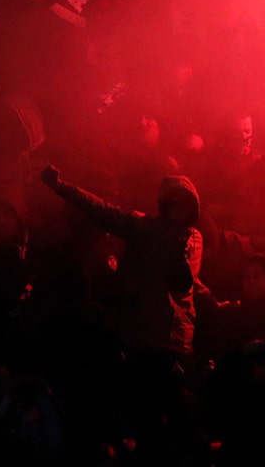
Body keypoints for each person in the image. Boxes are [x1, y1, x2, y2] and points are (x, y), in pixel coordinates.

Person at [40, 165, 206, 457]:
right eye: (173, 202)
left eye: (184, 203)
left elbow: (182, 284)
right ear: (165, 206)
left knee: (185, 427)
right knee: (150, 427)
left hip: (176, 344)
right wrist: (62, 187)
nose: (179, 210)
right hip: (144, 342)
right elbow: (103, 211)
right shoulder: (144, 230)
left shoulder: (194, 240)